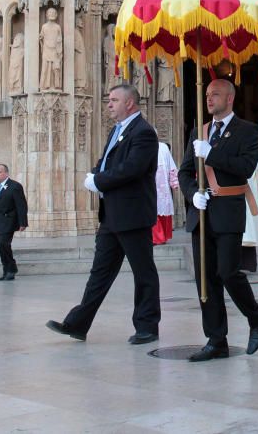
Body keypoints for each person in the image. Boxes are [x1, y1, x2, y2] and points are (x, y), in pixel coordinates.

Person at [47, 84, 161, 344]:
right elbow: (108, 161)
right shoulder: (117, 130)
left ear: (129, 103)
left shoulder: (143, 132)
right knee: (100, 272)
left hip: (132, 215)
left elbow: (131, 169)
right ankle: (77, 323)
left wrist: (99, 181)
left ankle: (147, 326)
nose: (109, 104)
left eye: (113, 100)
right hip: (111, 215)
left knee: (143, 272)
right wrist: (96, 173)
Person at [178, 79, 258, 362]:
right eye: (206, 94)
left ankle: (257, 317)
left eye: (214, 94)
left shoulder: (247, 131)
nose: (208, 99)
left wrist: (212, 154)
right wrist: (193, 194)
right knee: (205, 280)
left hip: (228, 212)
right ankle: (216, 339)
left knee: (228, 272)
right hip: (201, 213)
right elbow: (184, 172)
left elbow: (246, 167)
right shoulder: (199, 131)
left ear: (229, 98)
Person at [0, 164, 28, 281]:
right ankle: (6, 271)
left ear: (6, 173)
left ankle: (12, 269)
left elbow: (21, 205)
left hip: (8, 221)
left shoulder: (15, 186)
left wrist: (23, 222)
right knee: (1, 246)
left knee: (4, 243)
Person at [153, 141, 179, 245]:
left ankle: (158, 238)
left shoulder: (163, 147)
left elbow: (171, 167)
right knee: (155, 210)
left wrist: (174, 182)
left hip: (161, 186)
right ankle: (159, 237)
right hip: (152, 185)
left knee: (158, 210)